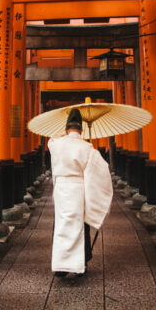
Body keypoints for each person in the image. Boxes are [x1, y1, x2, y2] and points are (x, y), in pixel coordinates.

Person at [48, 108, 113, 277]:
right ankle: (79, 264)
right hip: (78, 188)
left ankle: (60, 267)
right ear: (82, 130)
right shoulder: (87, 148)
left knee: (61, 225)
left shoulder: (54, 144)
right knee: (80, 225)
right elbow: (100, 171)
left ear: (65, 129)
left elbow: (53, 144)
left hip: (61, 188)